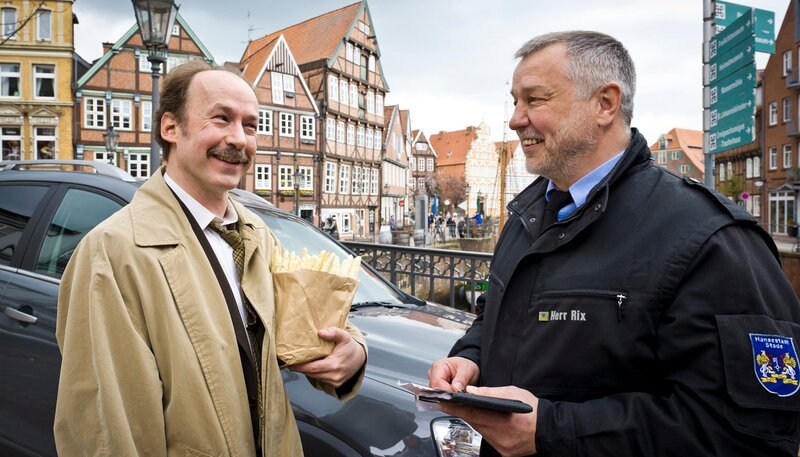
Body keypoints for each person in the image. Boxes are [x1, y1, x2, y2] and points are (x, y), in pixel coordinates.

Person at [428, 31, 800, 456]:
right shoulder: (526, 216)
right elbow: (496, 318)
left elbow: (749, 438)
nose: (515, 119)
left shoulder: (707, 237)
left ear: (605, 103)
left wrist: (551, 430)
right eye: (514, 101)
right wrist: (470, 359)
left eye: (535, 100)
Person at [55, 61, 367, 456]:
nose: (239, 139)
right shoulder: (113, 252)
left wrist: (353, 351)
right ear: (170, 128)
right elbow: (104, 430)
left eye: (250, 125)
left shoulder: (256, 235)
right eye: (221, 119)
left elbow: (312, 321)